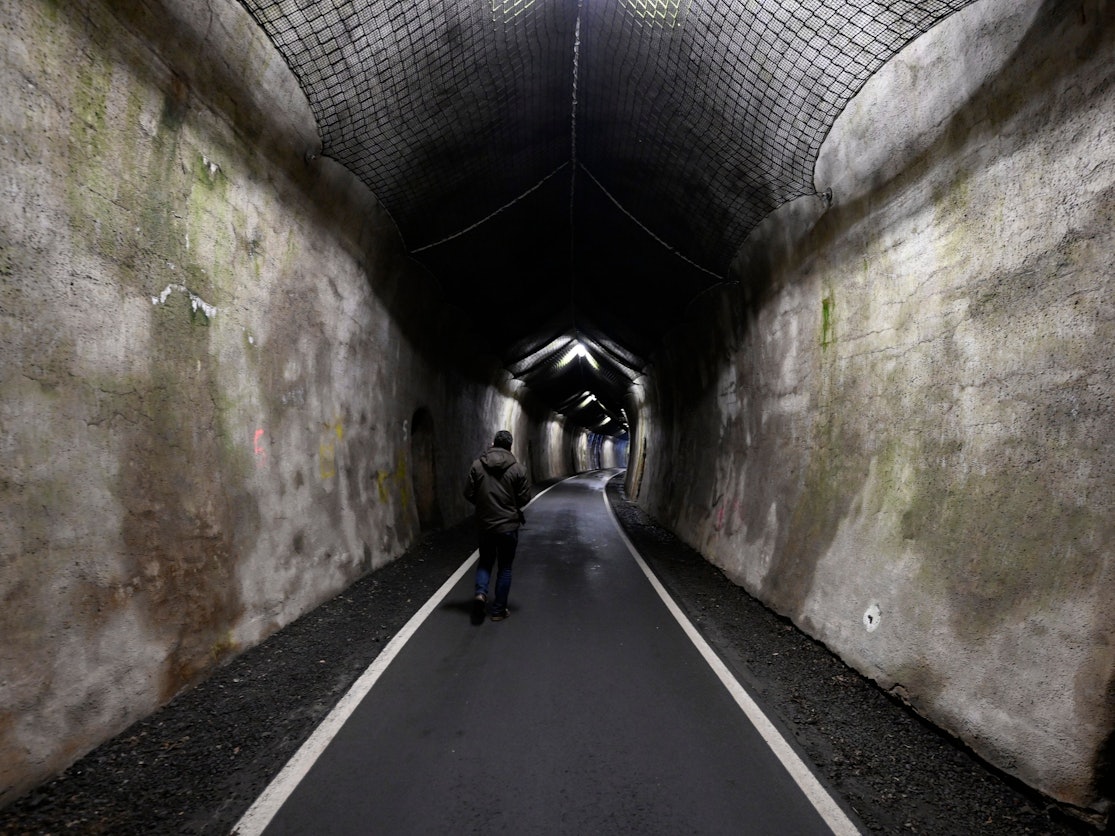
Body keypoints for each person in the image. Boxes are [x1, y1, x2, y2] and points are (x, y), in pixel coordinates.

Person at [464, 430, 531, 623]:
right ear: (510, 446)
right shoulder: (519, 469)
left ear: (493, 443)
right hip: (508, 525)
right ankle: (498, 610)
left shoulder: (477, 465)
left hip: (485, 524)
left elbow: (468, 493)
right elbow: (524, 498)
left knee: (485, 561)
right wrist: (511, 505)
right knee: (505, 567)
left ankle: (480, 594)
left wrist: (483, 504)